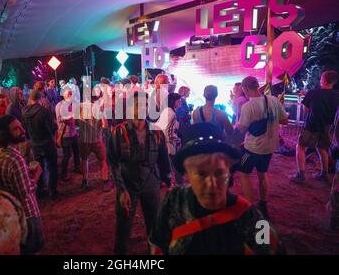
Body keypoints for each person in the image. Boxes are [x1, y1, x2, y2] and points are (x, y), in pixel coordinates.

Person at [149, 123, 284, 255]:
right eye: (201, 174)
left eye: (219, 173)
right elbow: (158, 242)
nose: (212, 183)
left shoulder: (249, 217)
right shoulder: (173, 200)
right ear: (187, 175)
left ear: (229, 172)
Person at [107, 92, 171, 254]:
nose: (142, 108)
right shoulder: (119, 132)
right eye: (137, 104)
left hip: (151, 184)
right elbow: (113, 163)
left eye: (145, 105)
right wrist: (121, 190)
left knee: (155, 225)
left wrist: (167, 180)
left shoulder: (156, 132)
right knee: (124, 227)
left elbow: (164, 160)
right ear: (129, 108)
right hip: (128, 185)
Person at [236, 76, 288, 218]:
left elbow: (242, 129)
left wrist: (236, 126)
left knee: (244, 173)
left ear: (245, 88)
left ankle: (249, 207)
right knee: (262, 173)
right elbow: (285, 120)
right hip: (270, 146)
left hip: (253, 147)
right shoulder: (273, 100)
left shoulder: (248, 106)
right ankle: (263, 203)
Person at [0, 115, 44, 254]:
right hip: (27, 214)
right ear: (5, 134)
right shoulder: (15, 158)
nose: (22, 130)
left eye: (21, 126)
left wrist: (26, 174)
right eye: (16, 129)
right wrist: (37, 175)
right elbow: (25, 192)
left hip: (10, 214)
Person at [292, 70, 339, 183]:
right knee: (322, 148)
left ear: (323, 79)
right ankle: (324, 174)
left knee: (300, 146)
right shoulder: (337, 95)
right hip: (328, 127)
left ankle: (301, 174)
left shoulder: (313, 93)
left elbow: (306, 109)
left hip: (312, 125)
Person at [23, 89, 59, 199]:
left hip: (35, 143)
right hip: (47, 143)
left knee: (39, 168)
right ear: (40, 98)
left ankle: (40, 191)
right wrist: (55, 125)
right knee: (52, 167)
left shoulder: (24, 112)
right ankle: (53, 191)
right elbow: (51, 128)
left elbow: (24, 128)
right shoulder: (44, 111)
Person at [78, 98, 110, 190]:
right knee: (103, 160)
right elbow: (105, 126)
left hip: (84, 140)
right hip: (96, 139)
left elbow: (76, 122)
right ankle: (105, 182)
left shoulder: (79, 107)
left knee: (84, 160)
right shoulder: (97, 108)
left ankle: (85, 182)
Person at [55, 87, 81, 178]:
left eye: (71, 94)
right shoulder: (59, 105)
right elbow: (59, 119)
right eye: (68, 94)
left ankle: (77, 167)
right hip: (65, 134)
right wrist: (69, 116)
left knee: (76, 152)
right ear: (64, 95)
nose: (70, 95)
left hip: (73, 133)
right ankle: (63, 174)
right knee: (67, 155)